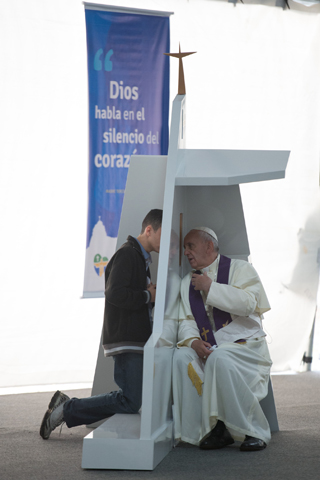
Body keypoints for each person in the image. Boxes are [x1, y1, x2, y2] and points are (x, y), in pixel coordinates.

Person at [40, 209, 162, 440]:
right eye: (163, 234)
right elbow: (115, 293)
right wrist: (148, 297)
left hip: (133, 337)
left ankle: (66, 407)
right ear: (149, 230)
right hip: (127, 338)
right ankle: (66, 409)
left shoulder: (139, 257)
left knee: (131, 398)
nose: (166, 243)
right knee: (130, 400)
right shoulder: (128, 254)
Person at [173, 227, 272, 452]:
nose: (186, 252)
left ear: (209, 246)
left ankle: (252, 430)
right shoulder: (186, 282)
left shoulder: (241, 269)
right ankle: (204, 429)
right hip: (212, 346)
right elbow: (187, 319)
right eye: (184, 248)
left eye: (191, 246)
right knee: (181, 357)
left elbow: (249, 304)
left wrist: (210, 288)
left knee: (220, 358)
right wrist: (192, 341)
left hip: (246, 346)